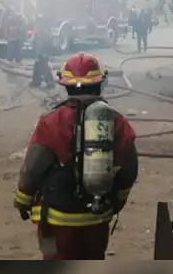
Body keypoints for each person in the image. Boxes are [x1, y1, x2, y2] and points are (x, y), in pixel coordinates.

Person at [13, 52, 139, 260]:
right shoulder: (116, 122)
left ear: (66, 84)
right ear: (101, 83)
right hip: (97, 218)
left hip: (56, 220)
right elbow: (130, 169)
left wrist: (22, 200)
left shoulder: (50, 122)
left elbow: (32, 169)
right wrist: (117, 201)